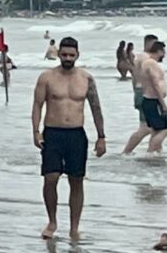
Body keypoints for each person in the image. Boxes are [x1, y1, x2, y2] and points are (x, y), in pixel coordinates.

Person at [29, 37, 108, 240]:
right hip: (53, 133)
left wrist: (101, 137)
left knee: (77, 181)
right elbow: (37, 105)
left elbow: (96, 108)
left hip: (76, 134)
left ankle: (74, 227)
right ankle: (52, 221)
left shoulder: (86, 78)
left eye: (71, 55)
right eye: (64, 54)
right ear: (58, 54)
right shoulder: (47, 77)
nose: (67, 58)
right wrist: (36, 131)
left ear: (77, 55)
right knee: (50, 178)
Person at [122, 37, 167, 155]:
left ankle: (157, 153)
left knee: (154, 128)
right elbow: (153, 82)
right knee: (146, 128)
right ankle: (130, 152)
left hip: (142, 93)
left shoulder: (140, 58)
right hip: (148, 95)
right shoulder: (147, 60)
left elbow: (134, 75)